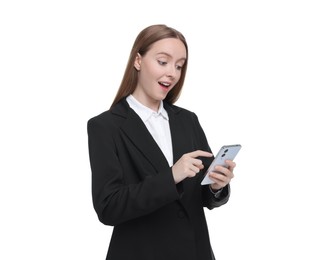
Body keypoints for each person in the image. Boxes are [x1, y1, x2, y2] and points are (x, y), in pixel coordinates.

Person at [87, 24, 236, 260]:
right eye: (163, 62)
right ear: (138, 60)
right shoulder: (105, 127)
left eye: (179, 66)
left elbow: (203, 196)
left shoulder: (188, 120)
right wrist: (171, 176)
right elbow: (108, 207)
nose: (173, 73)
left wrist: (217, 186)